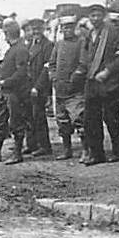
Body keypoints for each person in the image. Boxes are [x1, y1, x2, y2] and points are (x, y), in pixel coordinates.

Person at [79, 3, 119, 165]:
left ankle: (118, 151)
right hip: (92, 82)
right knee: (91, 120)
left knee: (111, 118)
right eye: (92, 16)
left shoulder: (115, 33)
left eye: (98, 15)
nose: (95, 19)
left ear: (104, 16)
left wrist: (107, 72)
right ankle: (97, 154)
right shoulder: (88, 35)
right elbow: (85, 58)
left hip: (110, 83)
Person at [0, 19, 30, 164]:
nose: (5, 35)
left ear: (9, 33)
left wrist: (6, 81)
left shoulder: (20, 49)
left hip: (15, 92)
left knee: (16, 122)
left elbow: (22, 72)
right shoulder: (11, 48)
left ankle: (17, 153)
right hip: (4, 91)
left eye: (6, 32)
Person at [47, 15, 87, 161]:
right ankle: (67, 150)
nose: (67, 30)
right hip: (59, 90)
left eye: (70, 27)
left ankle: (85, 151)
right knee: (62, 122)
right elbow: (51, 63)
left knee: (79, 120)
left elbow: (83, 64)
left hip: (75, 91)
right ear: (61, 29)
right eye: (64, 27)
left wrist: (74, 78)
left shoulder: (81, 42)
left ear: (75, 27)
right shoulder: (58, 44)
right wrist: (53, 76)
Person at [26, 18, 54, 157]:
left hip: (39, 86)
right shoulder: (30, 44)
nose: (35, 32)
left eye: (38, 29)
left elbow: (46, 68)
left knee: (39, 116)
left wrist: (38, 86)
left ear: (43, 29)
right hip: (29, 85)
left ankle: (44, 146)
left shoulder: (48, 45)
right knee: (29, 116)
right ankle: (31, 144)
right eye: (33, 29)